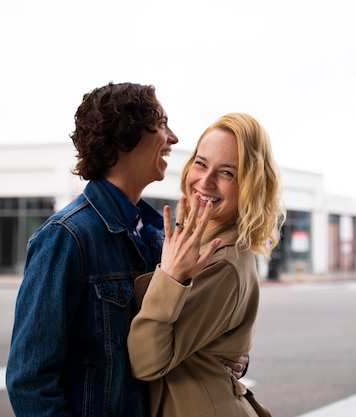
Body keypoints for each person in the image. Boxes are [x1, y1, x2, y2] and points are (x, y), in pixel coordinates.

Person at [5, 82, 247, 417]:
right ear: (123, 140)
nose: (174, 138)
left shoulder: (157, 238)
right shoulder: (65, 238)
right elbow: (29, 381)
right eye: (162, 124)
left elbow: (165, 341)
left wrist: (224, 353)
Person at [127, 113, 285, 417]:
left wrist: (170, 277)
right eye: (201, 163)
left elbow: (146, 362)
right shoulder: (195, 241)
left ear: (250, 185)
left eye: (227, 173)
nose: (205, 181)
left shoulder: (222, 260)